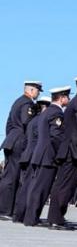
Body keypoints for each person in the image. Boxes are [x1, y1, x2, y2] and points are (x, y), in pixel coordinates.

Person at [48, 76, 77, 229]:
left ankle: (56, 217)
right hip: (72, 150)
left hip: (67, 149)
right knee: (66, 185)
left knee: (62, 183)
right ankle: (57, 218)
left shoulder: (74, 102)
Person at [24, 86, 71, 227]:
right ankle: (31, 218)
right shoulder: (56, 113)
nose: (68, 99)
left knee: (36, 187)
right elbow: (56, 136)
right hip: (48, 156)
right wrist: (61, 154)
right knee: (41, 189)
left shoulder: (47, 111)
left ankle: (31, 217)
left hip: (40, 154)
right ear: (62, 98)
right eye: (67, 97)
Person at [0, 80, 42, 220]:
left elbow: (8, 124)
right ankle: (5, 210)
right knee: (12, 176)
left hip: (13, 140)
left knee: (10, 175)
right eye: (37, 90)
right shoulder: (26, 103)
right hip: (19, 141)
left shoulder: (18, 101)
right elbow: (27, 122)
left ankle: (6, 209)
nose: (38, 93)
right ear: (30, 90)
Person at [12, 96, 50, 223]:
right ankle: (26, 215)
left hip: (27, 155)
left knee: (25, 186)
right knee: (31, 187)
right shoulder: (42, 121)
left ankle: (19, 215)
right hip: (34, 157)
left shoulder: (33, 120)